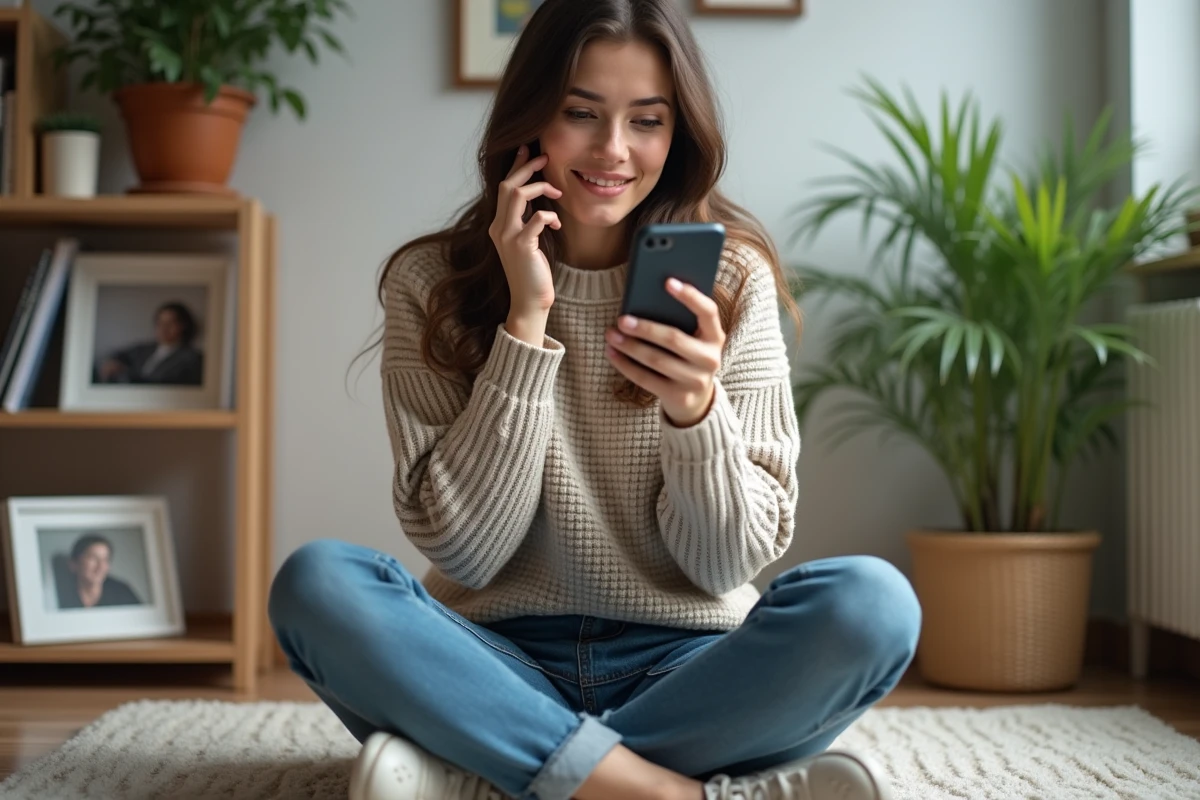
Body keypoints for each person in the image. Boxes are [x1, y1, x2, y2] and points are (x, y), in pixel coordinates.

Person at [268, 2, 921, 799]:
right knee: (319, 585)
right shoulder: (431, 285)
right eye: (581, 113)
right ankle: (666, 791)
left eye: (647, 120)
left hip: (686, 666)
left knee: (874, 606)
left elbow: (724, 562)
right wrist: (526, 323)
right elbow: (468, 552)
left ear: (679, 133)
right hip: (489, 660)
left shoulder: (733, 280)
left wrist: (695, 413)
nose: (614, 151)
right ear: (531, 117)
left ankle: (490, 772)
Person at [96, 301, 204, 386]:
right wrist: (111, 363)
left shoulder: (192, 357)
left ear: (183, 326)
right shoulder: (143, 349)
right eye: (160, 323)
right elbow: (116, 355)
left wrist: (128, 374)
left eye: (170, 323)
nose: (163, 328)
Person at [55, 534, 142, 610]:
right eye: (93, 558)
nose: (101, 566)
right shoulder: (59, 594)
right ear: (74, 564)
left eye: (105, 560)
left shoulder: (122, 592)